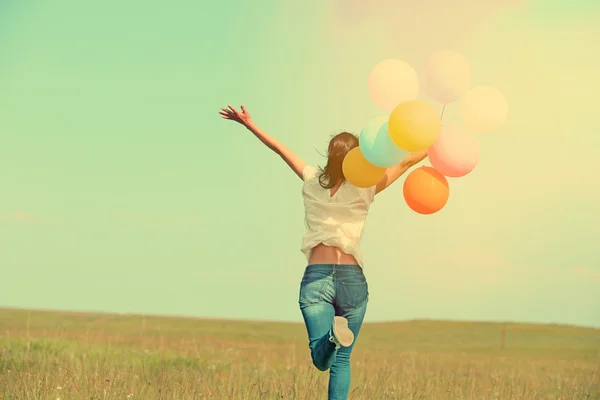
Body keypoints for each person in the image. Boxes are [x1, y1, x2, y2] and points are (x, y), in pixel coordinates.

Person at [219, 104, 427, 400]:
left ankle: (331, 337)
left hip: (317, 277)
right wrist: (432, 141)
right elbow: (406, 162)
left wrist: (249, 124)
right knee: (342, 360)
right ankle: (335, 337)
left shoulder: (311, 179)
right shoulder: (366, 187)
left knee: (322, 359)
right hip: (352, 280)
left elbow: (279, 147)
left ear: (329, 156)